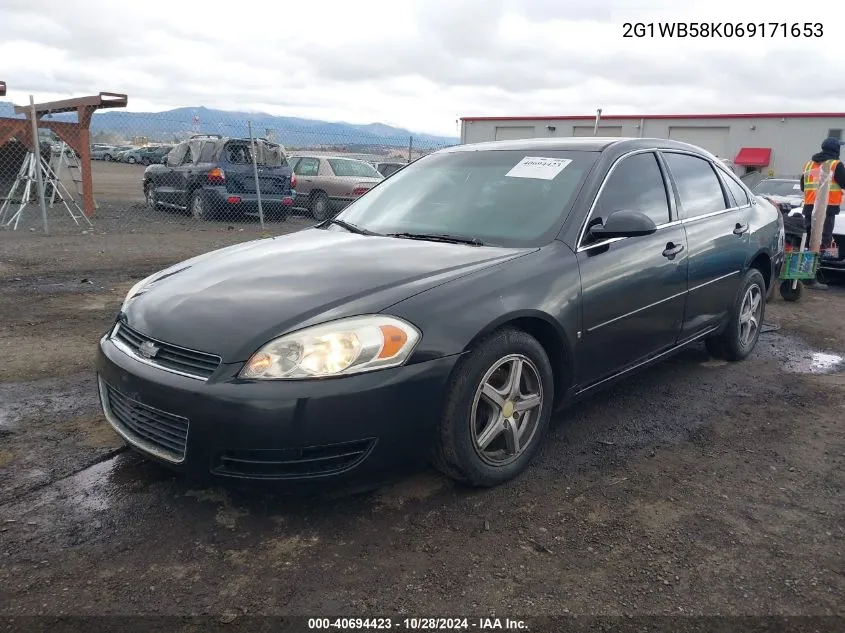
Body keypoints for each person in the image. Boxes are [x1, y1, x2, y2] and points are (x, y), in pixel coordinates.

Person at [799, 137, 845, 287]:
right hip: (825, 210)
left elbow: (802, 187)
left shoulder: (808, 164)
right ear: (836, 150)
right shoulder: (836, 165)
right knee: (821, 243)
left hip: (809, 208)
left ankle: (805, 274)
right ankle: (810, 278)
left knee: (809, 242)